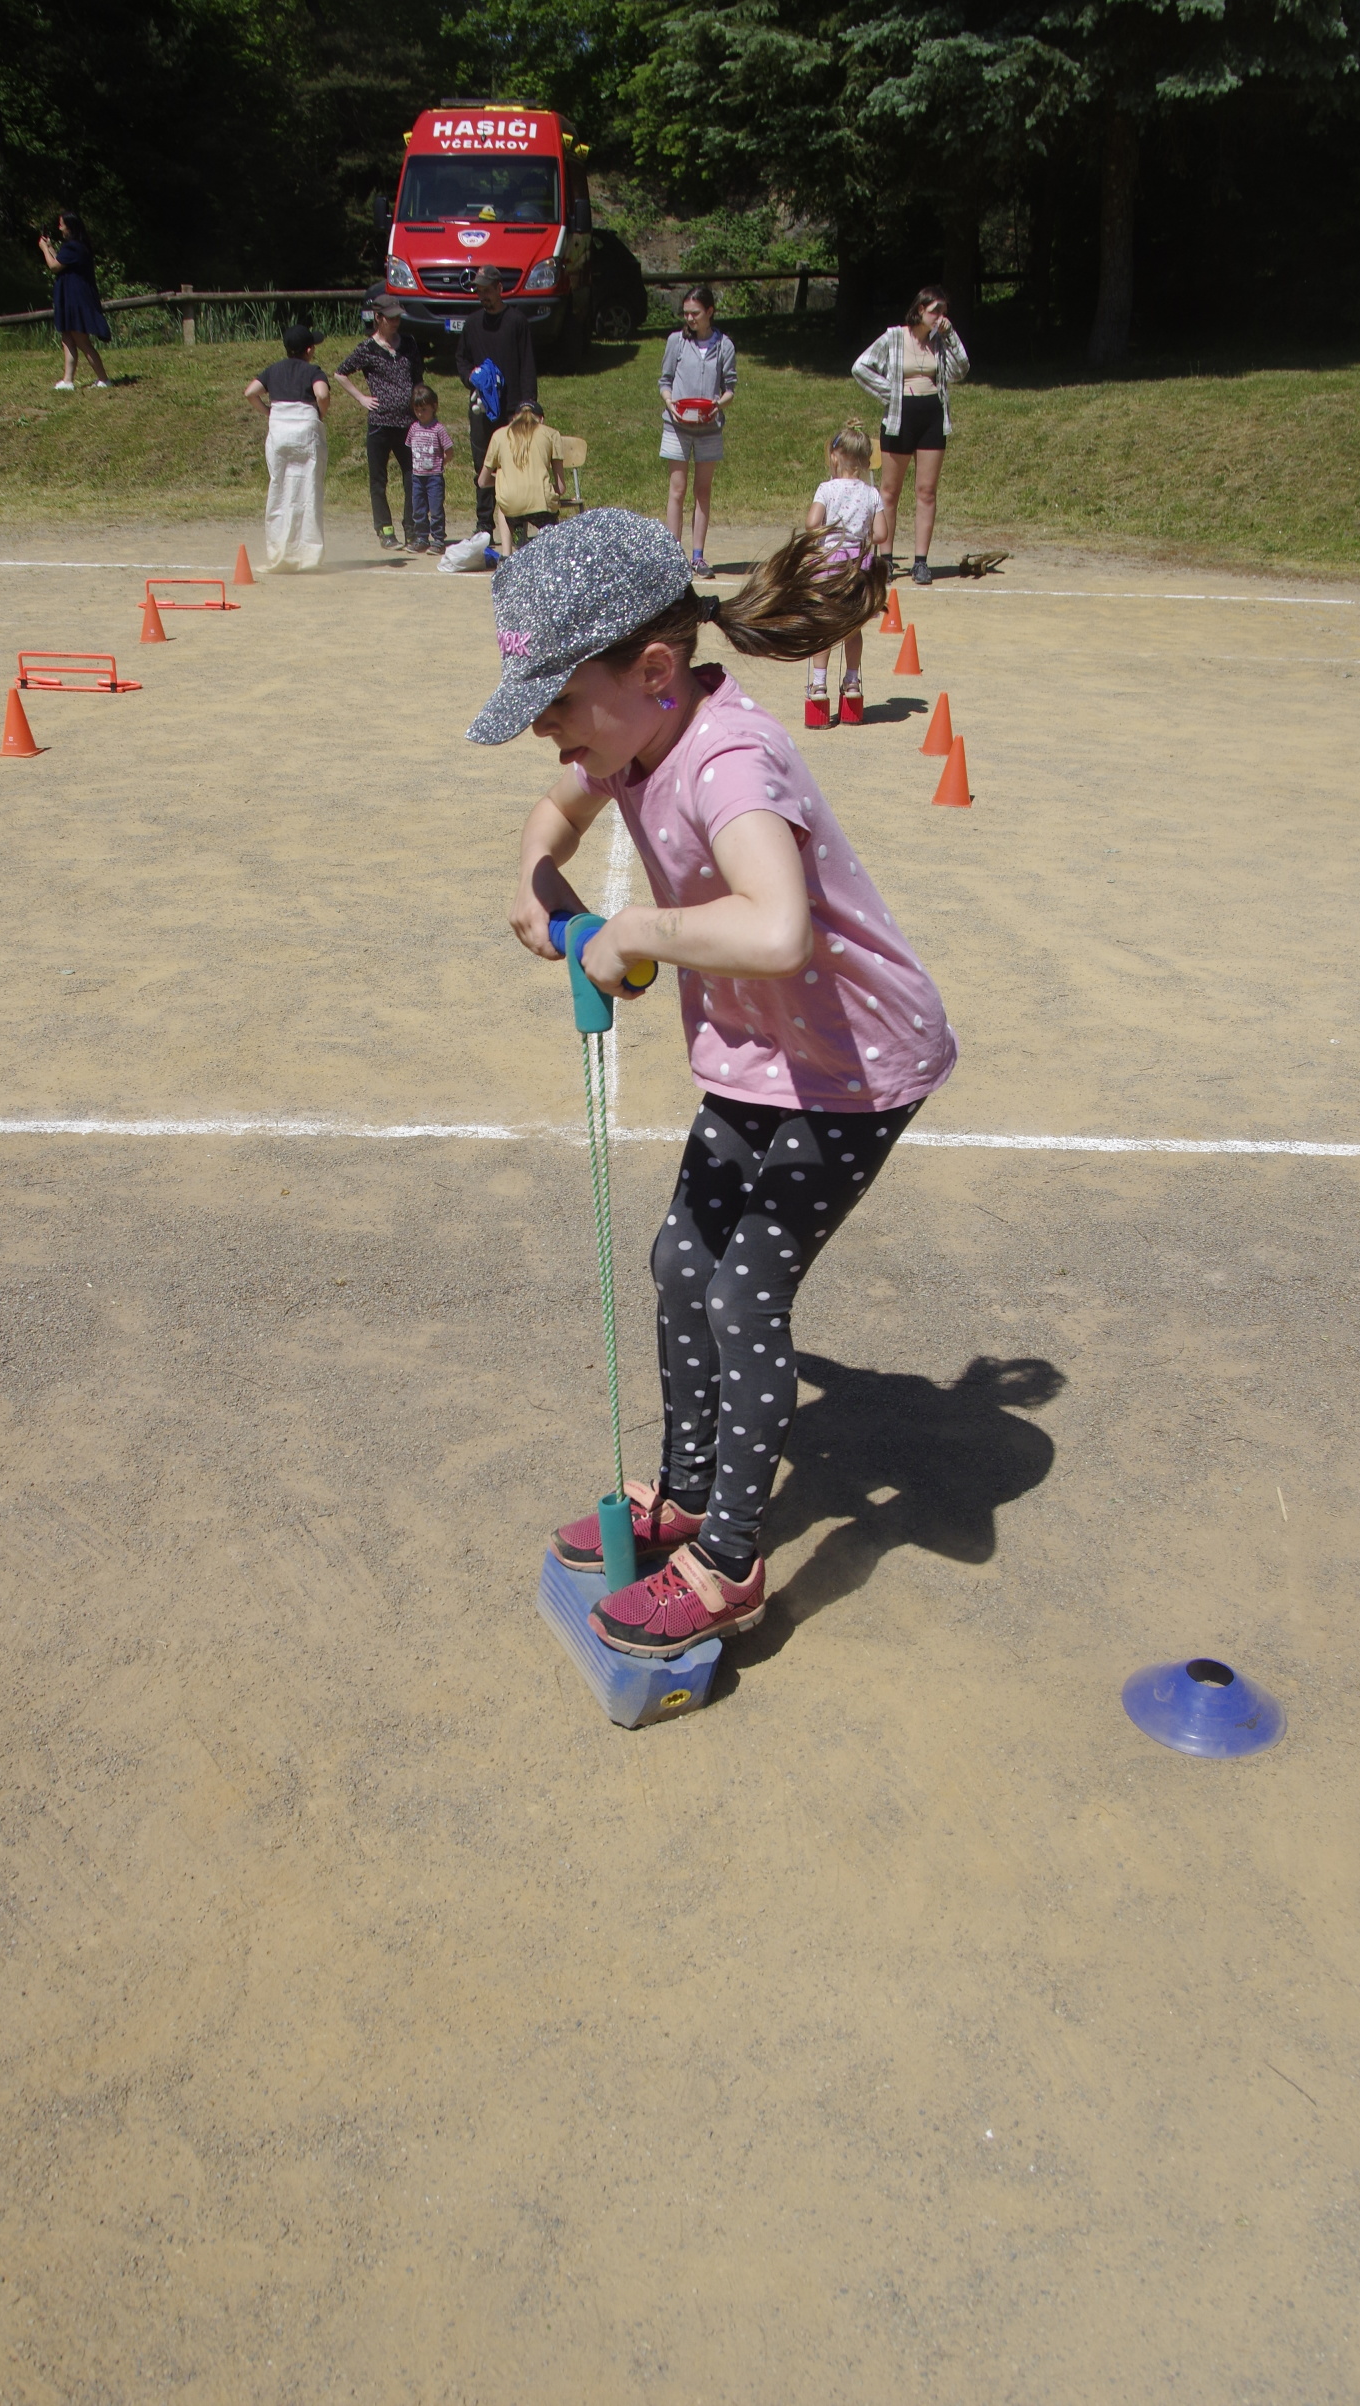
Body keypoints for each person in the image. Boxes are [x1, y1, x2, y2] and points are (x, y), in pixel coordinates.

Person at [479, 509, 957, 1657]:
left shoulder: (730, 759)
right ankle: (687, 1495)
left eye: (557, 699)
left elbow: (776, 929)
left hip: (852, 1069)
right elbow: (557, 807)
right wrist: (535, 874)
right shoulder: (630, 737)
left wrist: (633, 928)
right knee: (678, 1263)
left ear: (653, 673)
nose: (546, 729)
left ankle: (731, 1561)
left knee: (743, 1294)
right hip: (757, 1056)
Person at [851, 286, 969, 586]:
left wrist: (951, 335)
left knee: (926, 491)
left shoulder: (940, 342)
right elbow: (860, 367)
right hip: (899, 418)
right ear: (920, 310)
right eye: (935, 311)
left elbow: (961, 370)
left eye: (944, 312)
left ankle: (921, 562)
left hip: (932, 416)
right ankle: (886, 559)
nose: (940, 317)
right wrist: (890, 391)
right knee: (890, 492)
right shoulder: (894, 337)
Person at [804, 418, 890, 727]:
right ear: (866, 462)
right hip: (858, 566)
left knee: (826, 626)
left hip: (830, 564)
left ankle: (818, 685)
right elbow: (882, 534)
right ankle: (852, 682)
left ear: (835, 457)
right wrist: (862, 535)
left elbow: (811, 524)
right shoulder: (871, 494)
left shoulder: (826, 489)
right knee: (853, 628)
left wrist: (828, 532)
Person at [658, 286, 737, 580]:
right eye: (686, 313)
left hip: (709, 427)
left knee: (702, 491)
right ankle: (672, 556)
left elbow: (730, 388)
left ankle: (698, 556)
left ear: (710, 312)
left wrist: (717, 405)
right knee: (677, 489)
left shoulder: (724, 345)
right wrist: (670, 403)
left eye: (695, 313)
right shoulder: (676, 341)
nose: (690, 319)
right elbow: (665, 381)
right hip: (677, 425)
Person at [455, 267, 539, 539]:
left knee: (516, 465)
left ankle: (517, 522)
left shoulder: (516, 321)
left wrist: (527, 404)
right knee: (483, 464)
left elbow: (527, 364)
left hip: (513, 408)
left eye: (487, 290)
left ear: (500, 288)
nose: (483, 296)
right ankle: (484, 523)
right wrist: (472, 376)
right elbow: (461, 360)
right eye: (479, 291)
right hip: (482, 407)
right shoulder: (472, 324)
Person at [334, 296, 423, 550]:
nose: (395, 322)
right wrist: (361, 398)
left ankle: (413, 529)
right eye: (390, 317)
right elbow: (340, 373)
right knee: (378, 480)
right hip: (380, 423)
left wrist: (422, 408)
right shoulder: (367, 348)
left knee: (412, 477)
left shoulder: (409, 343)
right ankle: (385, 530)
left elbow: (418, 377)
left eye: (397, 317)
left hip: (408, 422)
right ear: (378, 318)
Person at [244, 324, 330, 573]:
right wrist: (320, 413)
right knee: (309, 490)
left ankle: (279, 551)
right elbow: (322, 394)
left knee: (279, 489)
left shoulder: (273, 370)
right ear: (309, 349)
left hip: (279, 432)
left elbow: (250, 392)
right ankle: (308, 554)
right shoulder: (313, 371)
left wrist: (268, 412)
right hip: (306, 432)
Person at [476, 401, 566, 555]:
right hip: (542, 505)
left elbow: (482, 481)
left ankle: (506, 555)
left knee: (503, 503)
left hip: (512, 505)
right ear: (542, 419)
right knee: (549, 531)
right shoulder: (552, 434)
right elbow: (561, 488)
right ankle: (550, 554)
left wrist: (502, 479)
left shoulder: (499, 435)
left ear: (514, 418)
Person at [37, 210, 111, 391]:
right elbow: (61, 261)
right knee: (67, 338)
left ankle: (103, 379)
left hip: (75, 298)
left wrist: (44, 248)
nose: (59, 227)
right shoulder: (75, 246)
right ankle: (67, 380)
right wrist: (51, 247)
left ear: (69, 227)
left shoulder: (74, 247)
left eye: (61, 224)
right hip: (70, 297)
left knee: (82, 340)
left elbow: (54, 266)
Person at [406, 383, 454, 553]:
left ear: (434, 407)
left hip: (434, 477)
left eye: (424, 410)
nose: (420, 413)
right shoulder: (413, 428)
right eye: (417, 410)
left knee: (436, 509)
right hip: (417, 477)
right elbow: (410, 448)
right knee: (418, 509)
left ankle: (438, 540)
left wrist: (440, 464)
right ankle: (421, 538)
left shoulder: (438, 429)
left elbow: (449, 451)